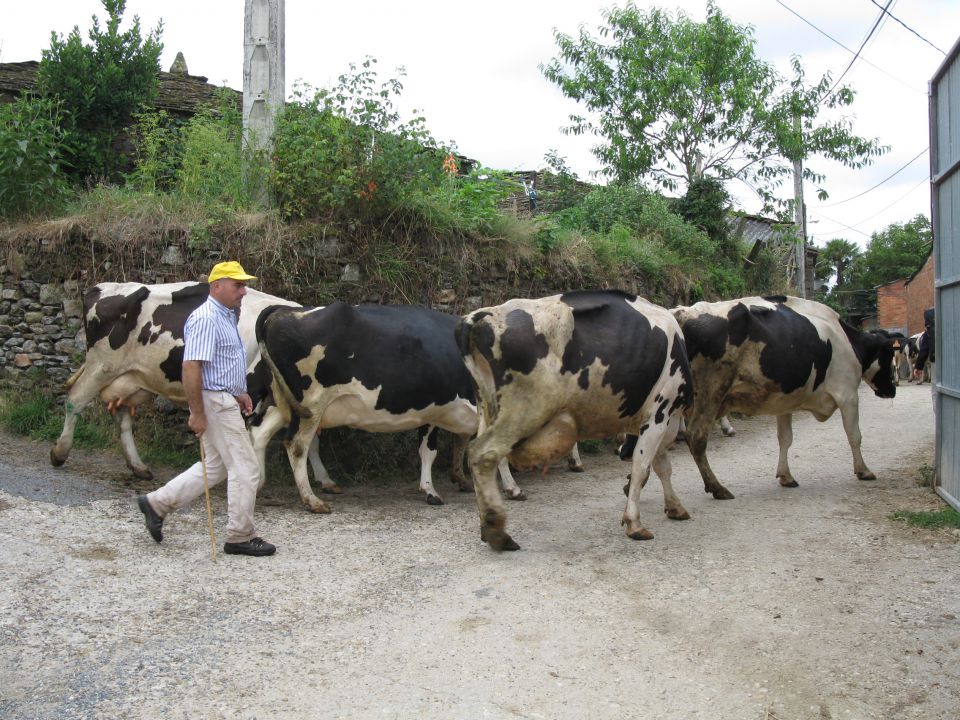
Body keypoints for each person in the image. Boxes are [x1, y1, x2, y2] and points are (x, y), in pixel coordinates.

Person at [136, 261, 276, 557]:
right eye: (237, 285)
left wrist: (239, 393)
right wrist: (197, 412)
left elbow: (220, 364)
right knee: (246, 468)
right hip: (215, 402)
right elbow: (191, 366)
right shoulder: (206, 318)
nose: (244, 290)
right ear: (217, 286)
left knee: (214, 467)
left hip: (223, 398)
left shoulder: (225, 316)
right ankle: (240, 536)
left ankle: (157, 504)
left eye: (243, 284)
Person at [913, 306, 937, 415]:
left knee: (937, 391)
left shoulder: (929, 325)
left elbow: (924, 348)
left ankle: (940, 420)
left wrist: (918, 366)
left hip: (937, 361)